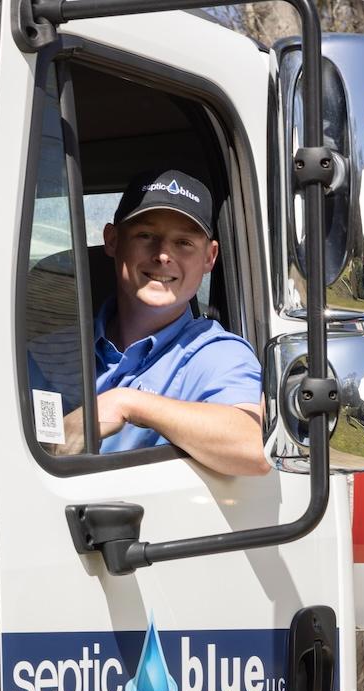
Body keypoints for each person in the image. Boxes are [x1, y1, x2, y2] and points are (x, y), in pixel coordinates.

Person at [60, 169, 267, 475]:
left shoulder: (215, 354)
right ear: (112, 240)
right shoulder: (51, 349)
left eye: (184, 242)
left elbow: (253, 450)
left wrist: (127, 403)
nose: (163, 255)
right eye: (146, 236)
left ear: (210, 257)